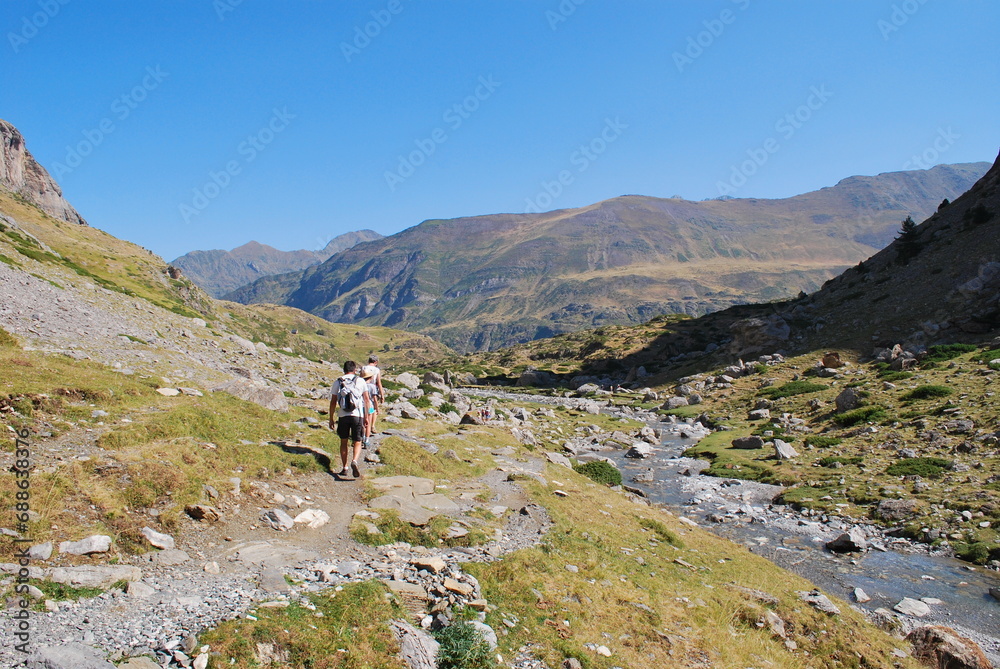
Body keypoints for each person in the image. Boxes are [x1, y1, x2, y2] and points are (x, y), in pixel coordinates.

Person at [329, 360, 369, 479]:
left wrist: (331, 418)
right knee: (357, 440)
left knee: (344, 441)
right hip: (357, 415)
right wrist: (366, 417)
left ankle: (345, 467)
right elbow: (366, 400)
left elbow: (333, 402)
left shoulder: (338, 381)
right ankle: (355, 461)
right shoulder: (360, 381)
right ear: (355, 369)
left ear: (344, 369)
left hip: (343, 415)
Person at [361, 355, 384, 436]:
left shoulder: (363, 368)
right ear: (376, 362)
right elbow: (379, 383)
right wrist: (382, 395)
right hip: (373, 389)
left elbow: (360, 378)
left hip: (363, 388)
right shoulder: (377, 370)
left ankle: (364, 424)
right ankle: (372, 426)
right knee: (373, 408)